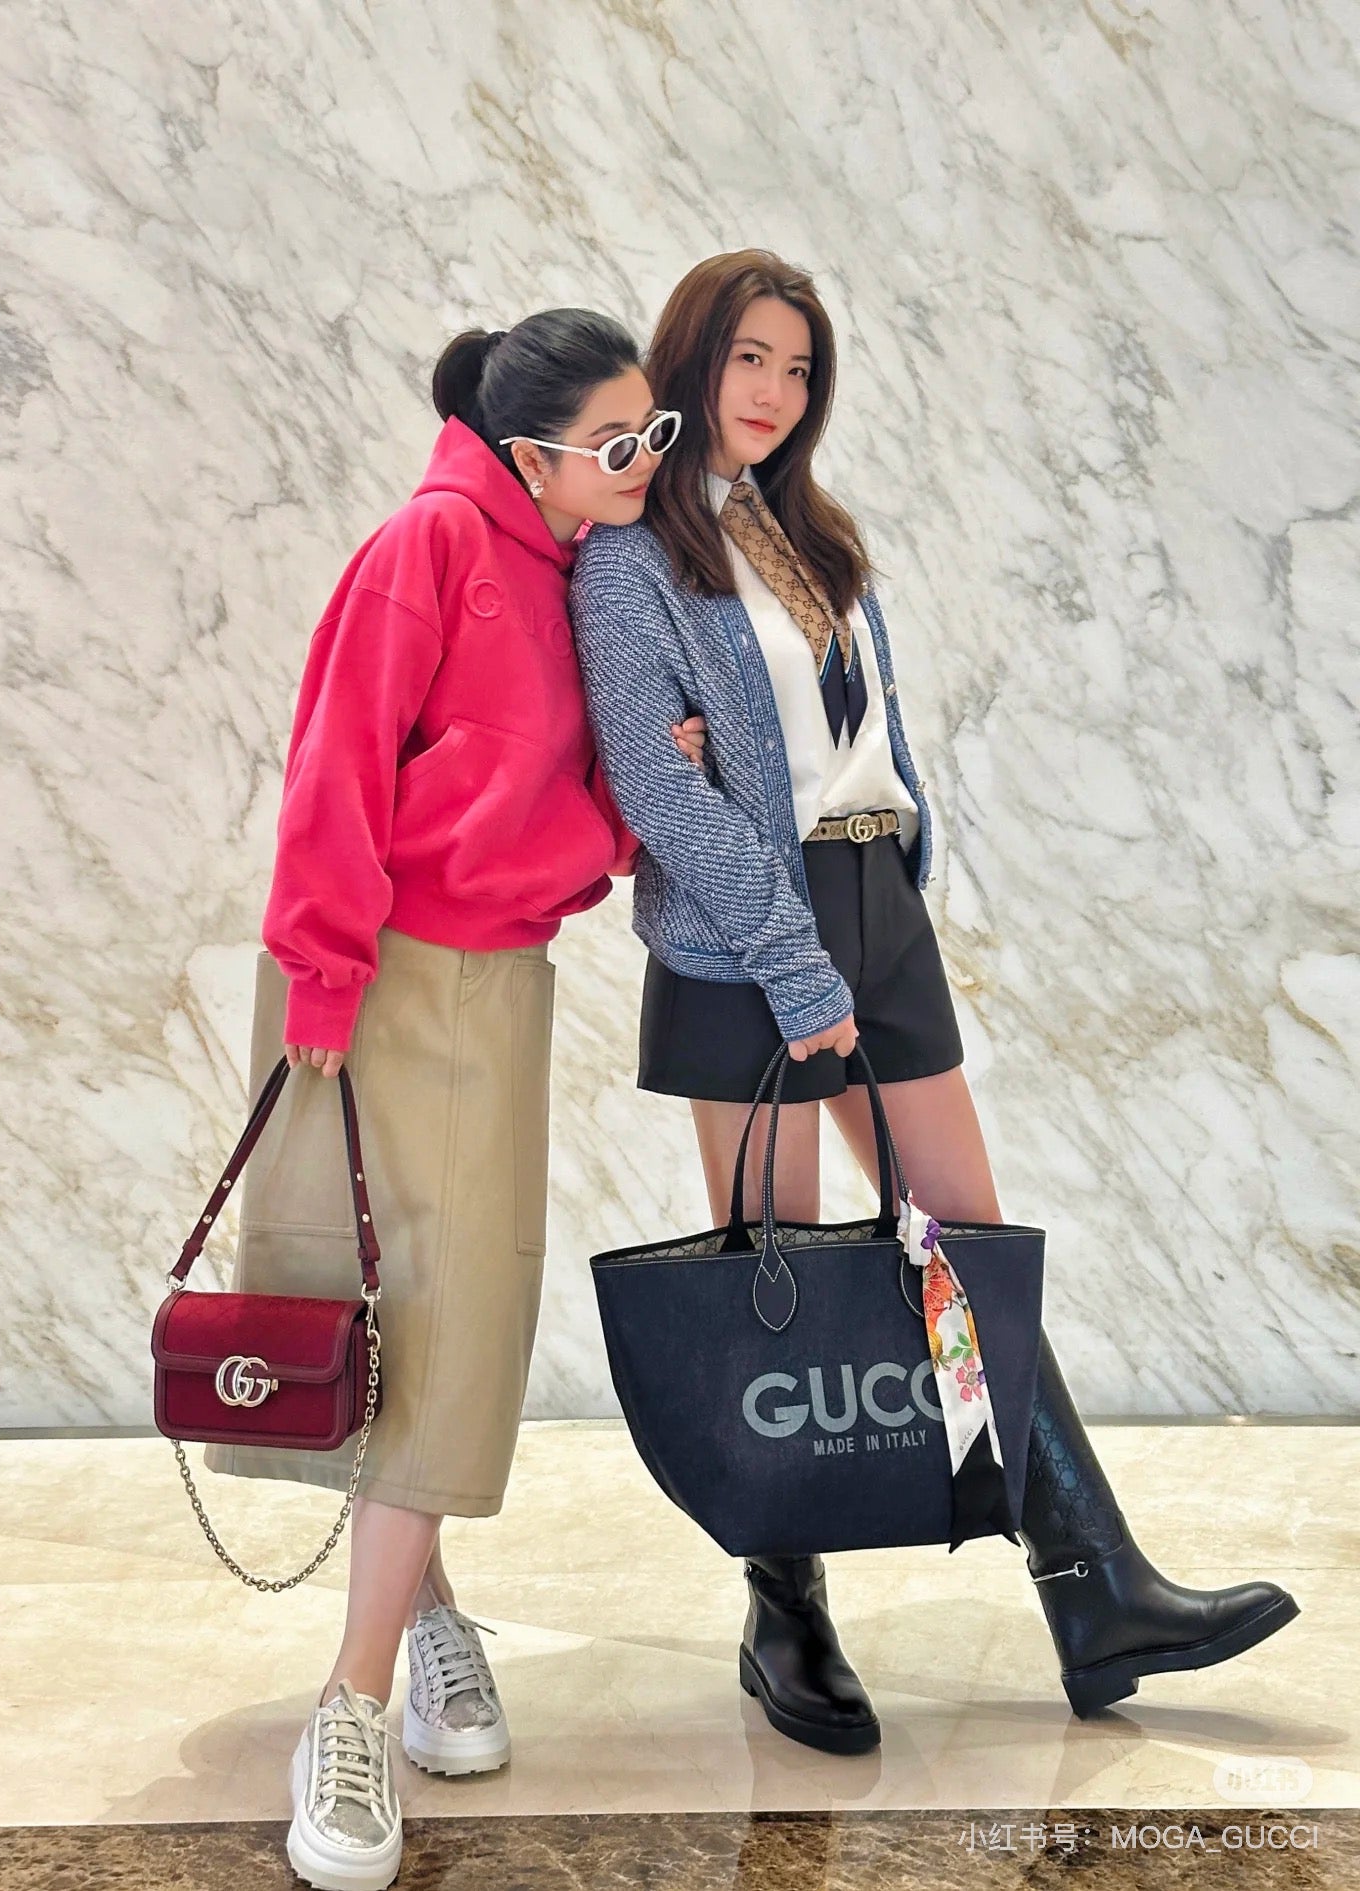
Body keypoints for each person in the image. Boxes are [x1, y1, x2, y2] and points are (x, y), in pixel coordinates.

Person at [569, 250, 1298, 1757]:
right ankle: (787, 1618)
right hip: (741, 933)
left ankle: (1097, 1586)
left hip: (871, 906)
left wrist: (882, 906)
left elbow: (858, 745)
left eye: (798, 368)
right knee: (772, 1271)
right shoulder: (632, 557)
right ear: (690, 357)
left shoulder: (806, 535)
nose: (774, 391)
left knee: (965, 1244)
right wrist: (793, 961)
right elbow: (662, 788)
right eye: (750, 358)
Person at [206, 310, 697, 1891]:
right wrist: (324, 973)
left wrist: (640, 791)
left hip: (502, 980)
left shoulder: (589, 575)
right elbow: (337, 760)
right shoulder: (426, 546)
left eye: (653, 434)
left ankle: (413, 1624)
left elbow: (545, 798)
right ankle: (353, 1705)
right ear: (528, 451)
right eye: (616, 440)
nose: (644, 460)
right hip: (368, 978)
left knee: (459, 1326)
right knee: (369, 1314)